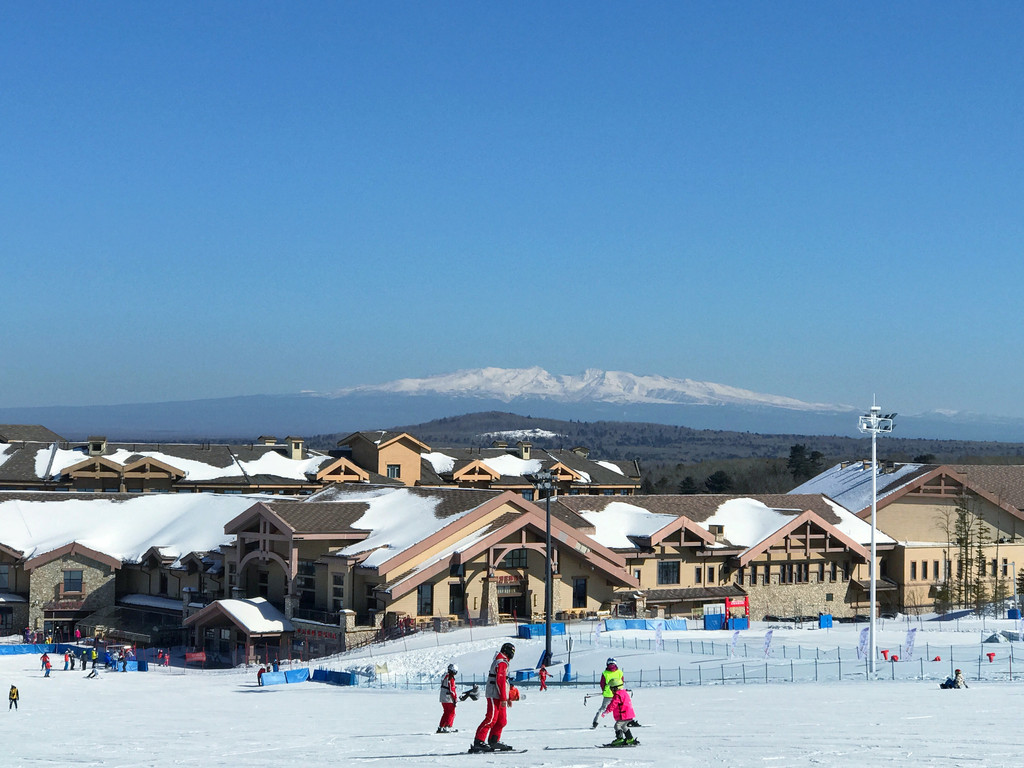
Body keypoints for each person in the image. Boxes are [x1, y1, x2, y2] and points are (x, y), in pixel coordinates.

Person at [471, 642, 516, 753]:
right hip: (494, 695)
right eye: (512, 651)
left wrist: (507, 697)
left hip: (500, 696)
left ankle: (494, 740)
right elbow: (500, 681)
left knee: (502, 721)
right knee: (491, 719)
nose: (513, 654)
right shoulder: (501, 662)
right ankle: (478, 741)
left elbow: (504, 682)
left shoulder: (504, 662)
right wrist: (503, 698)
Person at [592, 658, 623, 729]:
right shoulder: (620, 672)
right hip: (619, 693)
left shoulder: (605, 673)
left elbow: (602, 683)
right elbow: (622, 681)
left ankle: (595, 722)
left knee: (603, 709)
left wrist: (604, 690)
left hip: (608, 694)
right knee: (622, 708)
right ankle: (626, 721)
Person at [438, 663, 459, 733]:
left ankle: (441, 727)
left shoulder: (445, 676)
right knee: (451, 712)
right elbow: (452, 690)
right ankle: (448, 726)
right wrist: (455, 699)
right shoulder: (451, 678)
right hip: (448, 697)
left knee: (446, 712)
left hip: (442, 697)